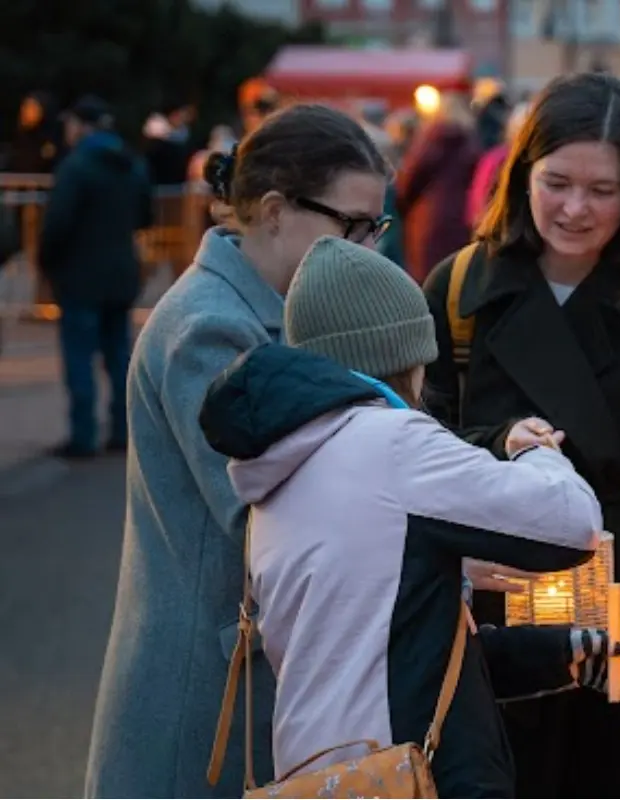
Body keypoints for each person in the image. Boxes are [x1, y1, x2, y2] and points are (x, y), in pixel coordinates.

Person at [423, 72, 620, 798]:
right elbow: (412, 449)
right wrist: (500, 440)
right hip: (490, 632)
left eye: (602, 190)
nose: (574, 209)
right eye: (556, 182)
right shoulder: (456, 290)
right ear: (521, 174)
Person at [198, 236, 611, 796]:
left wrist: (555, 654)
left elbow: (379, 650)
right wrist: (534, 448)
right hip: (403, 775)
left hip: (321, 775)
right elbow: (572, 524)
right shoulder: (388, 442)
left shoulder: (282, 467)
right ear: (404, 358)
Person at [84, 103, 392, 798]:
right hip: (203, 685)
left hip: (241, 668)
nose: (367, 249)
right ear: (276, 209)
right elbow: (268, 513)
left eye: (376, 227)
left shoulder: (271, 307)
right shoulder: (209, 329)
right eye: (351, 227)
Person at [38, 95, 153, 458]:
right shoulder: (132, 165)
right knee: (118, 354)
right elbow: (145, 216)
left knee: (79, 356)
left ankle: (83, 435)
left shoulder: (77, 167)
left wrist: (47, 263)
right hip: (121, 272)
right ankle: (121, 430)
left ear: (83, 126)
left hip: (80, 274)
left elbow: (57, 224)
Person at [397, 92, 480, 283]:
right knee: (454, 279)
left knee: (426, 281)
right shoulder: (471, 141)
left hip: (428, 218)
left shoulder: (431, 138)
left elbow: (410, 178)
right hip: (461, 216)